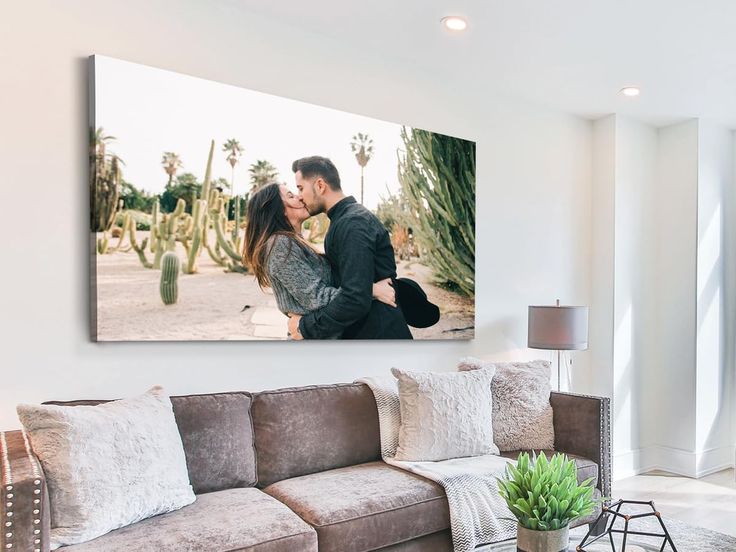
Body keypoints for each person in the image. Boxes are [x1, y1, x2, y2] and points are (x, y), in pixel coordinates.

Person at [242, 182, 396, 338]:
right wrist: (371, 290)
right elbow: (316, 297)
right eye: (291, 195)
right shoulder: (280, 245)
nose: (300, 197)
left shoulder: (293, 242)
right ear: (278, 210)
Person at [288, 156, 413, 340]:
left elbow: (355, 298)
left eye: (300, 188)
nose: (299, 196)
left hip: (379, 339)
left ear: (320, 185)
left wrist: (305, 328)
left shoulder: (352, 223)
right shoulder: (343, 220)